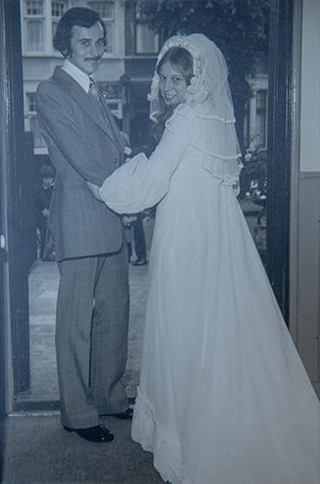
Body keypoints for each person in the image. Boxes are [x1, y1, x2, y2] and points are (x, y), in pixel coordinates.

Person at [93, 33, 320, 483]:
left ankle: (194, 429)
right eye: (164, 78)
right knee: (219, 321)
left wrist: (107, 189)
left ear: (196, 80)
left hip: (185, 234)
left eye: (178, 78)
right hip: (218, 233)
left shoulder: (185, 121)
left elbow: (153, 182)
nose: (169, 86)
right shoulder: (214, 118)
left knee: (183, 322)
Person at [35, 6, 132, 443]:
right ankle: (78, 413)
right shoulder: (52, 90)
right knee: (75, 322)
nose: (95, 50)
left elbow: (105, 150)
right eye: (85, 43)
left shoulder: (93, 88)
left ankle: (110, 397)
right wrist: (124, 191)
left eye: (99, 41)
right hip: (81, 214)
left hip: (109, 216)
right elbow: (82, 156)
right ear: (66, 45)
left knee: (114, 314)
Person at [32, 164, 55, 261]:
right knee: (45, 230)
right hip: (38, 216)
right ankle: (44, 255)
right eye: (46, 178)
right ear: (42, 179)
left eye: (50, 178)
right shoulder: (38, 189)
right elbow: (44, 206)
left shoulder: (51, 189)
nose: (49, 181)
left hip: (46, 215)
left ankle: (48, 253)